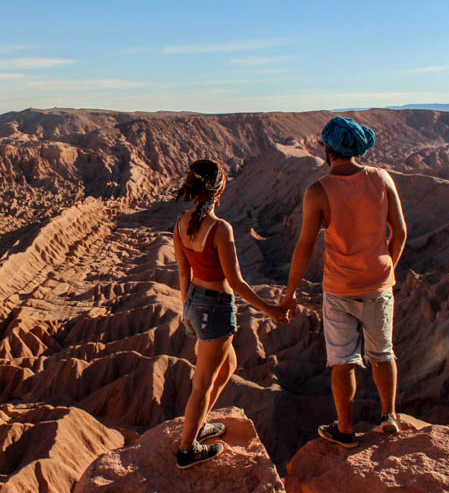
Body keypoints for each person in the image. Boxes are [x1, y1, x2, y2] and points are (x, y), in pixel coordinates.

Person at [280, 116, 407, 448]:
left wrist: (290, 292)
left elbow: (305, 247)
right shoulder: (381, 179)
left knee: (343, 360)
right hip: (379, 285)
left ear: (328, 150)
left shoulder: (318, 191)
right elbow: (401, 232)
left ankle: (346, 430)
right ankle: (389, 416)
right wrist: (386, 269)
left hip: (339, 289)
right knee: (383, 353)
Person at [174, 159, 289, 468]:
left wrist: (186, 309)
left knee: (229, 365)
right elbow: (236, 281)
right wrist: (271, 309)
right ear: (219, 189)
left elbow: (184, 272)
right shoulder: (220, 229)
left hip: (196, 301)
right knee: (204, 382)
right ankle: (187, 449)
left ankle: (197, 427)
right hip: (216, 307)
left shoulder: (181, 222)